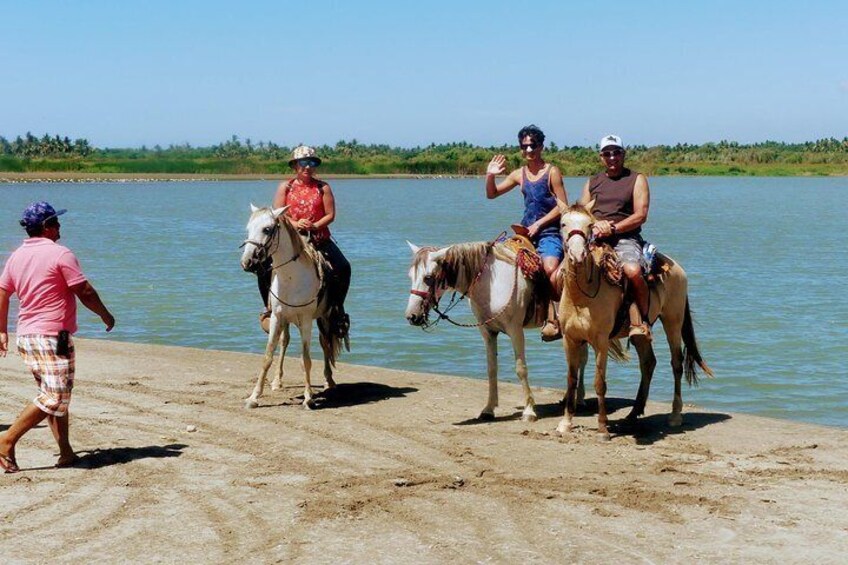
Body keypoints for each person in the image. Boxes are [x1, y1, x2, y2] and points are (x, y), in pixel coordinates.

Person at [0, 201, 115, 473]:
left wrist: (2, 330)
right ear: (47, 227)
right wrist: (105, 315)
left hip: (27, 337)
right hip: (52, 337)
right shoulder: (61, 254)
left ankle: (65, 451)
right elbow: (84, 290)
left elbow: (3, 292)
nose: (59, 226)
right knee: (55, 396)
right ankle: (6, 439)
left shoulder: (16, 256)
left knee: (53, 394)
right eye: (55, 222)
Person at [257, 145, 351, 337]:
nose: (308, 167)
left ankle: (337, 311)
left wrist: (315, 226)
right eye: (303, 163)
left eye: (312, 163)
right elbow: (278, 215)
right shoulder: (286, 187)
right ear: (295, 166)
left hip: (318, 238)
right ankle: (268, 308)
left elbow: (330, 215)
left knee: (343, 267)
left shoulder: (323, 187)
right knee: (262, 267)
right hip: (292, 240)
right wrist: (296, 223)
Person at [485, 125, 568, 341]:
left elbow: (563, 206)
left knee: (549, 267)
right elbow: (491, 194)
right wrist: (490, 175)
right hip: (525, 233)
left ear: (541, 146)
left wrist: (539, 224)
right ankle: (511, 310)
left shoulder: (552, 171)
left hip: (549, 232)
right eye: (525, 146)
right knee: (499, 261)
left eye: (533, 145)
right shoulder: (518, 174)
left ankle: (553, 318)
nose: (529, 150)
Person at [579, 134, 652, 342]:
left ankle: (642, 321)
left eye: (616, 152)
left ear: (623, 154)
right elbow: (582, 211)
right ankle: (558, 319)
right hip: (595, 237)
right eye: (607, 153)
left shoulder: (636, 179)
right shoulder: (593, 182)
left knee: (632, 270)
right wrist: (595, 225)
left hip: (625, 238)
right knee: (565, 268)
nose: (612, 157)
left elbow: (641, 214)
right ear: (601, 157)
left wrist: (613, 228)